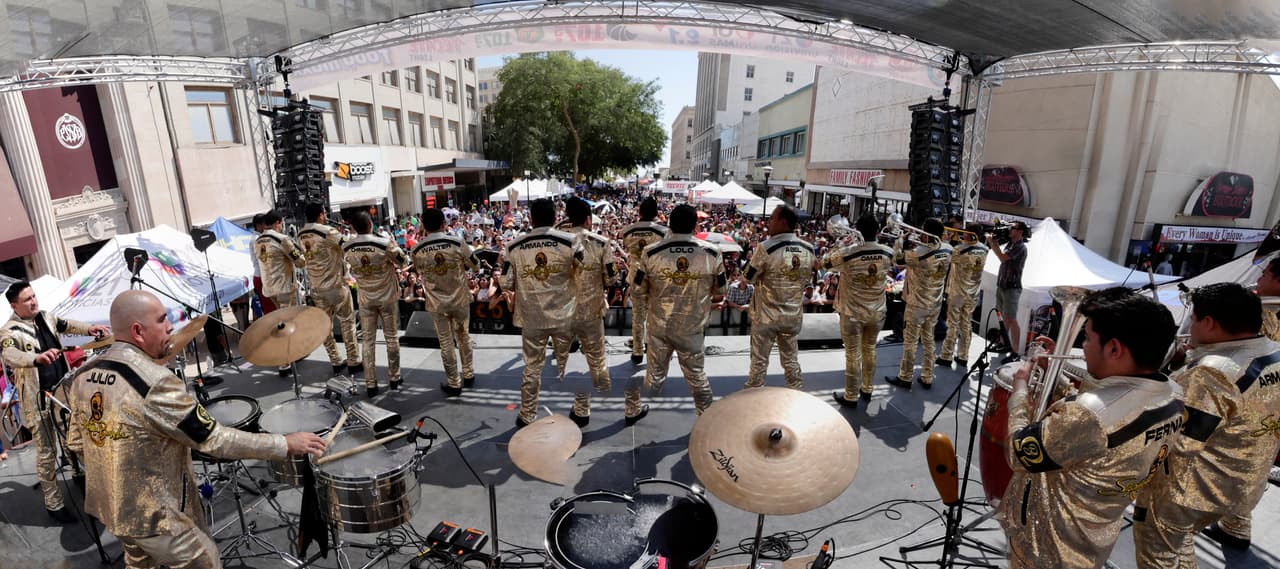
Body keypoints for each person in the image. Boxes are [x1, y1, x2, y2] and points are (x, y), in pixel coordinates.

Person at [66, 290, 326, 569]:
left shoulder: (84, 375)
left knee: (140, 564)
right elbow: (213, 439)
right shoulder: (154, 383)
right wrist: (283, 444)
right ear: (138, 331)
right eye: (162, 319)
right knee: (206, 561)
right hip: (155, 516)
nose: (170, 327)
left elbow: (77, 443)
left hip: (111, 508)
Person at [999, 288, 1182, 569]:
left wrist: (1020, 390)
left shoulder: (1087, 415)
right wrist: (1054, 374)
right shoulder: (1174, 394)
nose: (1082, 347)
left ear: (1114, 349)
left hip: (1046, 546)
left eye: (1087, 338)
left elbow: (1019, 452)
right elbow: (1103, 416)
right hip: (1094, 534)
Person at [1131, 283, 1279, 567]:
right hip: (1244, 483)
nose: (1191, 326)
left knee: (1159, 548)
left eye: (1194, 318)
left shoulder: (1212, 373)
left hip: (1192, 491)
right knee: (1178, 541)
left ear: (1209, 322)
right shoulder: (1275, 352)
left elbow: (1177, 443)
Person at [0, 281, 109, 522]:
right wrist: (35, 358)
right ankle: (54, 503)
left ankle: (78, 474)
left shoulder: (46, 317)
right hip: (37, 400)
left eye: (34, 296)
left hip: (62, 393)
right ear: (14, 305)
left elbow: (68, 324)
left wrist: (90, 329)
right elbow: (9, 355)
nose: (33, 301)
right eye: (27, 299)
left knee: (71, 439)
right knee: (47, 452)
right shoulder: (9, 331)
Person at [625, 204, 727, 422]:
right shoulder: (712, 252)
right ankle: (707, 419)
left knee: (654, 375)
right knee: (697, 376)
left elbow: (637, 289)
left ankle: (635, 407)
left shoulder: (651, 252)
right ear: (696, 225)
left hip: (659, 326)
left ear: (669, 225)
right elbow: (720, 291)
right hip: (692, 328)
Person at [499, 198, 580, 428]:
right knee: (572, 366)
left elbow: (505, 282)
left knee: (532, 368)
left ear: (531, 219)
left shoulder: (514, 246)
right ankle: (580, 412)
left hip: (532, 318)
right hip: (565, 316)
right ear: (555, 218)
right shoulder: (571, 242)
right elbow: (585, 275)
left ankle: (527, 414)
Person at [552, 197, 616, 427]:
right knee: (596, 360)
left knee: (565, 362)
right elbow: (611, 277)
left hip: (562, 312)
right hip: (590, 311)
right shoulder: (601, 242)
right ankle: (588, 407)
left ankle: (577, 407)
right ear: (588, 218)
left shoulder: (554, 239)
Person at [743, 204, 815, 391]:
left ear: (783, 222)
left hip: (766, 317)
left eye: (772, 218)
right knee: (791, 360)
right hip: (792, 316)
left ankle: (752, 398)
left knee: (759, 362)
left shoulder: (766, 247)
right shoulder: (809, 248)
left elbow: (748, 277)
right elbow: (806, 279)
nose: (769, 222)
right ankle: (797, 394)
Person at [824, 215, 894, 407]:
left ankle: (851, 395)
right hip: (878, 311)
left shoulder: (849, 253)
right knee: (870, 349)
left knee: (853, 353)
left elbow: (825, 263)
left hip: (853, 313)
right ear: (878, 231)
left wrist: (840, 243)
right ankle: (868, 389)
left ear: (857, 231)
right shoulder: (888, 252)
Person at [412, 208, 479, 397]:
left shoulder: (416, 249)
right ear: (444, 223)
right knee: (464, 337)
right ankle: (469, 373)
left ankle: (454, 382)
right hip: (459, 299)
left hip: (437, 303)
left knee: (446, 342)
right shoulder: (457, 242)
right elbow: (476, 264)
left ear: (424, 226)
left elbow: (419, 271)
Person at [343, 210, 409, 396]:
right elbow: (403, 262)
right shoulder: (384, 244)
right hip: (387, 297)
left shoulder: (347, 246)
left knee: (367, 340)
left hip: (365, 298)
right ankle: (394, 377)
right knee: (391, 338)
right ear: (370, 224)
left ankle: (370, 383)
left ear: (354, 228)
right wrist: (395, 246)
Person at [886, 218, 952, 390]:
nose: (920, 234)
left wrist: (901, 240)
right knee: (929, 340)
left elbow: (897, 259)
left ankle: (905, 377)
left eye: (922, 231)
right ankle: (927, 376)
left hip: (916, 305)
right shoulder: (948, 249)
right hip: (935, 303)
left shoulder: (920, 253)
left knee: (910, 342)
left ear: (927, 234)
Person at [297, 203, 361, 376]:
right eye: (324, 213)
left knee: (325, 326)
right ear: (320, 215)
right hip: (336, 285)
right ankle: (354, 360)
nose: (325, 215)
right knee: (347, 323)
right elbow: (347, 245)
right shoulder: (328, 231)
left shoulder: (300, 234)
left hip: (317, 287)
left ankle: (335, 361)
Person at [255, 210, 305, 376]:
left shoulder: (258, 240)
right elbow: (300, 262)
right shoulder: (281, 239)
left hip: (269, 289)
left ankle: (286, 359)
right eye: (281, 223)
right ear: (277, 222)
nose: (282, 226)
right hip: (284, 288)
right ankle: (286, 362)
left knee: (278, 324)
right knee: (287, 325)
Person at [620, 197, 669, 364]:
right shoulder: (663, 232)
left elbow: (628, 248)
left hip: (636, 277)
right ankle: (652, 347)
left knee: (637, 315)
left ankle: (637, 351)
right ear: (656, 212)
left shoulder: (628, 231)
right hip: (655, 277)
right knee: (655, 315)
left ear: (640, 211)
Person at [938, 223, 990, 368]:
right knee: (966, 324)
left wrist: (946, 240)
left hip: (957, 293)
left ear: (970, 234)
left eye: (965, 232)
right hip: (973, 293)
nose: (963, 234)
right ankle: (963, 356)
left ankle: (946, 356)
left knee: (952, 324)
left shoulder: (959, 249)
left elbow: (946, 257)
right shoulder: (985, 249)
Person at [988, 221, 1029, 362]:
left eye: (1013, 228)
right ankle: (1003, 343)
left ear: (1020, 231)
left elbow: (1003, 258)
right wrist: (994, 242)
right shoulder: (1011, 244)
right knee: (1003, 318)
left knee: (1011, 319)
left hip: (1012, 287)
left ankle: (1016, 352)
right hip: (1003, 285)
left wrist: (992, 244)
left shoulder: (1020, 247)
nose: (1010, 230)